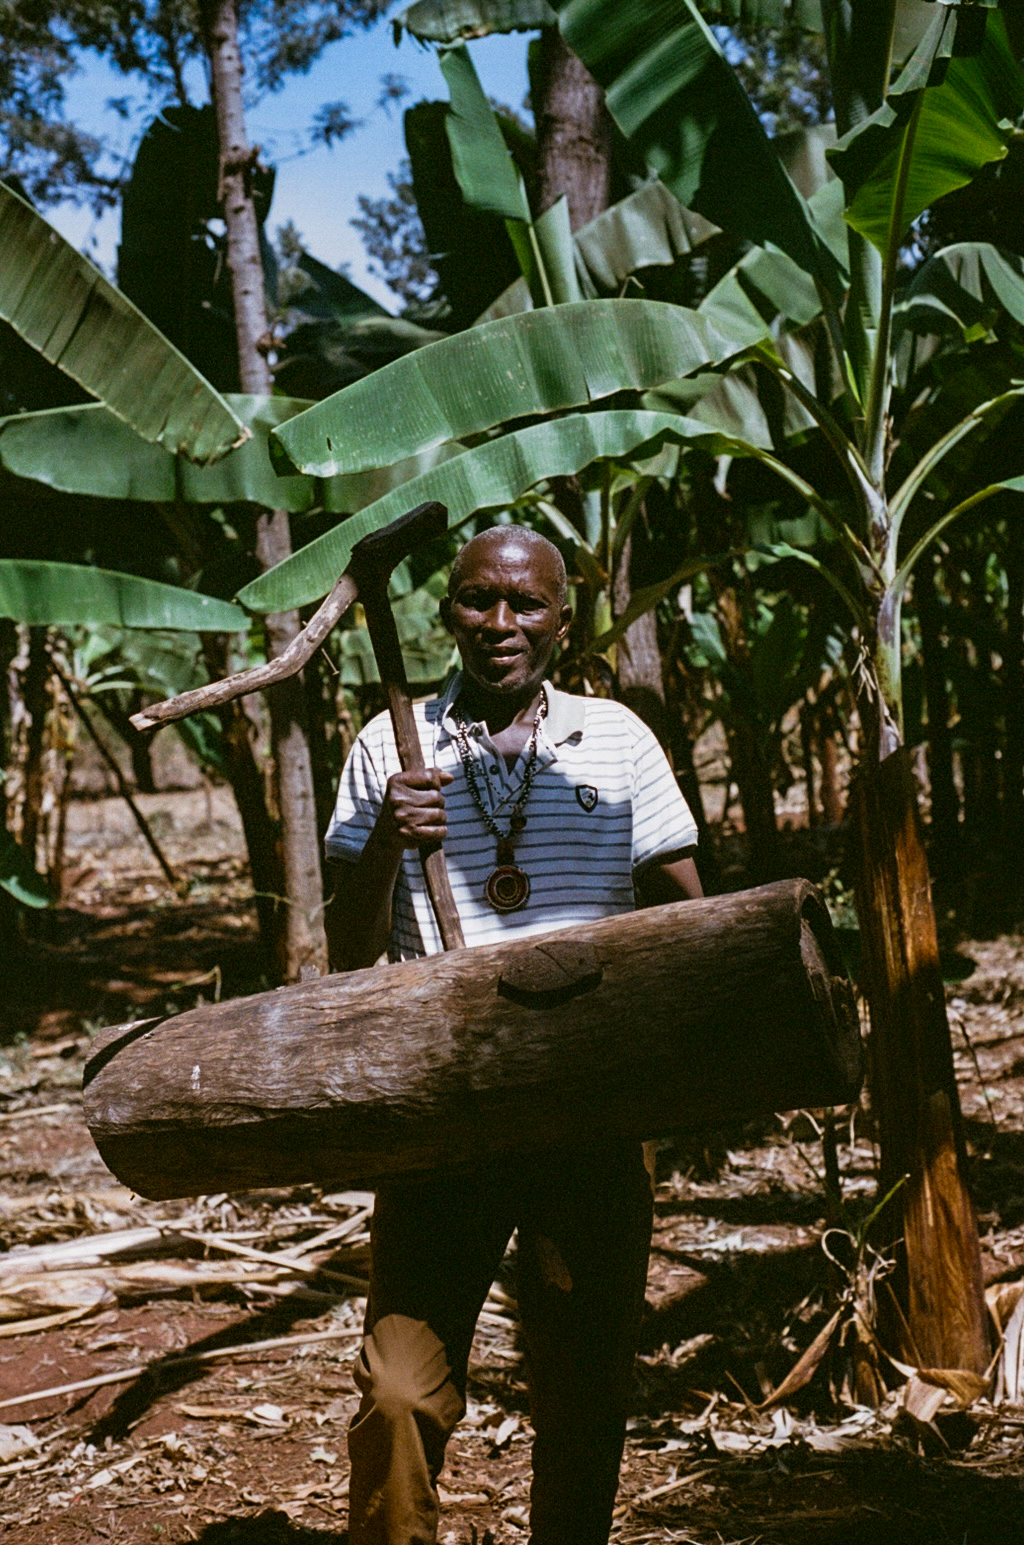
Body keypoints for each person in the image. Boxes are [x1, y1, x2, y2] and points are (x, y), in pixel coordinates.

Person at [323, 525, 703, 1545]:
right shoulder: (388, 744)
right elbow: (347, 951)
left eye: (526, 603)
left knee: (581, 1389)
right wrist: (388, 841)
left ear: (562, 623)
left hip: (586, 1110)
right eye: (477, 600)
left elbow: (685, 915)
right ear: (446, 612)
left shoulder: (617, 740)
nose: (501, 622)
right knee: (398, 1390)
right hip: (444, 1115)